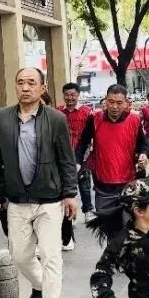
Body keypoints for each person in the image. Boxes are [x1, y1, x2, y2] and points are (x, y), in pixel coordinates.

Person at [0, 67, 78, 298]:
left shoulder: (56, 119)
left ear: (42, 87)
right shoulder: (2, 119)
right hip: (17, 201)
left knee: (51, 256)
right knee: (20, 255)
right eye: (20, 83)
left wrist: (70, 194)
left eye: (31, 83)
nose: (25, 88)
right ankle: (39, 285)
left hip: (50, 201)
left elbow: (66, 160)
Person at [77, 84, 149, 246]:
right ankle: (114, 254)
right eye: (111, 102)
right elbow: (83, 142)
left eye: (119, 103)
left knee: (129, 225)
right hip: (103, 183)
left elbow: (143, 144)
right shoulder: (95, 119)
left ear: (126, 103)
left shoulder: (135, 120)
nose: (115, 107)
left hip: (128, 182)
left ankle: (127, 254)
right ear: (106, 100)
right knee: (109, 228)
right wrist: (77, 162)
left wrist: (143, 155)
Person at [58, 82, 94, 247]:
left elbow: (91, 134)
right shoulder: (58, 112)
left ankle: (88, 210)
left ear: (78, 95)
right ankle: (69, 215)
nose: (70, 98)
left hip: (82, 153)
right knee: (66, 186)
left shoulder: (87, 112)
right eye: (67, 95)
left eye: (72, 95)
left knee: (84, 183)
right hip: (64, 154)